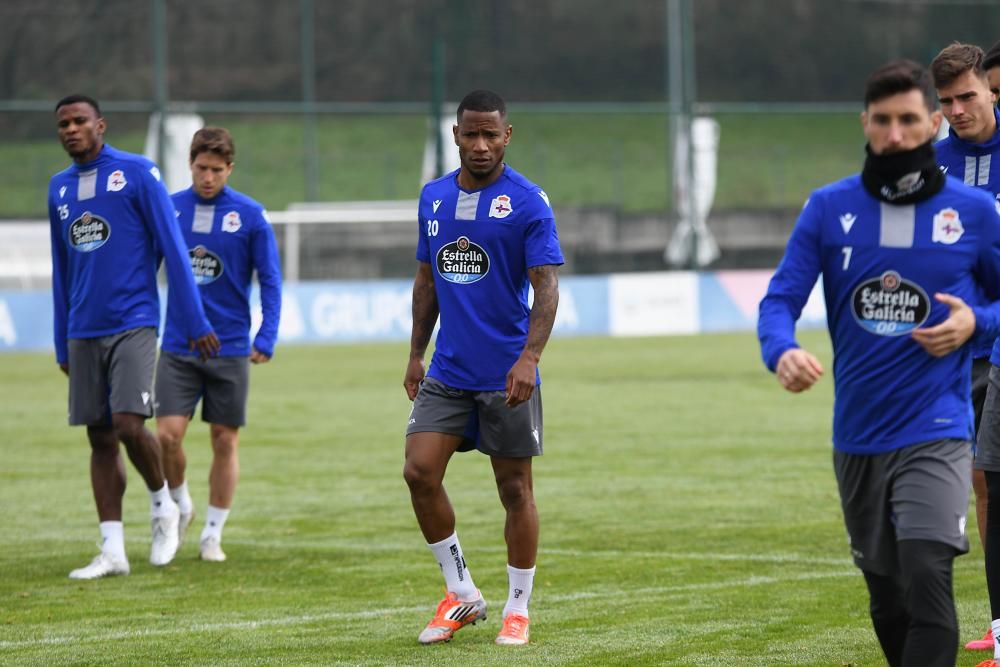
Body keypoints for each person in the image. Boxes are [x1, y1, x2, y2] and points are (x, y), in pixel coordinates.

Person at [757, 60, 1000, 667]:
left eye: (910, 120)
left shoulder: (972, 213)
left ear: (932, 122)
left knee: (927, 583)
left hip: (937, 432)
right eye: (884, 121)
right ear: (865, 123)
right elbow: (779, 300)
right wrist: (781, 350)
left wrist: (978, 322)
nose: (896, 134)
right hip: (858, 438)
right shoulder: (827, 208)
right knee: (889, 603)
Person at [402, 89, 563, 646]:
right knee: (419, 473)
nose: (480, 144)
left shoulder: (528, 203)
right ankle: (462, 592)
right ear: (455, 135)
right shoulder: (434, 198)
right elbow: (427, 284)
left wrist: (530, 358)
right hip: (448, 369)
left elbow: (547, 288)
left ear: (507, 136)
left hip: (506, 375)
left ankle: (519, 608)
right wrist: (416, 353)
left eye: (490, 134)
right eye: (471, 133)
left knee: (515, 490)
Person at [48, 94, 219, 580]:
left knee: (127, 424)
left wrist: (195, 321)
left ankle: (165, 505)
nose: (71, 129)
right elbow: (61, 272)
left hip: (134, 322)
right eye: (63, 123)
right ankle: (113, 550)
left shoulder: (137, 173)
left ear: (100, 124)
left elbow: (173, 249)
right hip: (82, 329)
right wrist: (62, 340)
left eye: (80, 120)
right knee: (99, 437)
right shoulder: (58, 189)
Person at [155, 127, 282, 563]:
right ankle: (180, 503)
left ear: (230, 169)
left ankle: (212, 533)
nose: (207, 177)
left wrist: (266, 334)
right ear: (189, 165)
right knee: (167, 437)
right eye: (200, 168)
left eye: (216, 170)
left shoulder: (249, 216)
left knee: (224, 440)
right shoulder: (169, 210)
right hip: (178, 345)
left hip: (229, 348)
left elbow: (270, 279)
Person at [930, 42, 1000, 658]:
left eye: (967, 97)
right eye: (946, 100)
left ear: (990, 92)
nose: (956, 110)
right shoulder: (935, 162)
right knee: (984, 481)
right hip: (955, 348)